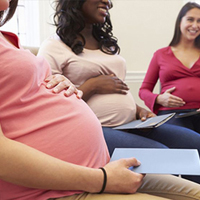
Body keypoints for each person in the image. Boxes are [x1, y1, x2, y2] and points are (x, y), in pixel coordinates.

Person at [2, 0, 200, 200]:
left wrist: (138, 109)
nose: (108, 1)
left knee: (193, 142)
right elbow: (45, 99)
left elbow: (115, 89)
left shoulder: (107, 46)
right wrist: (92, 86)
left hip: (131, 123)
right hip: (103, 127)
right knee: (163, 155)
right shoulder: (53, 46)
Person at [139, 2, 200, 133]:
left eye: (199, 21)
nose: (195, 25)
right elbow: (144, 90)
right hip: (172, 115)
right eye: (190, 19)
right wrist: (159, 98)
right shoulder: (161, 54)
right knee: (187, 143)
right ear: (180, 22)